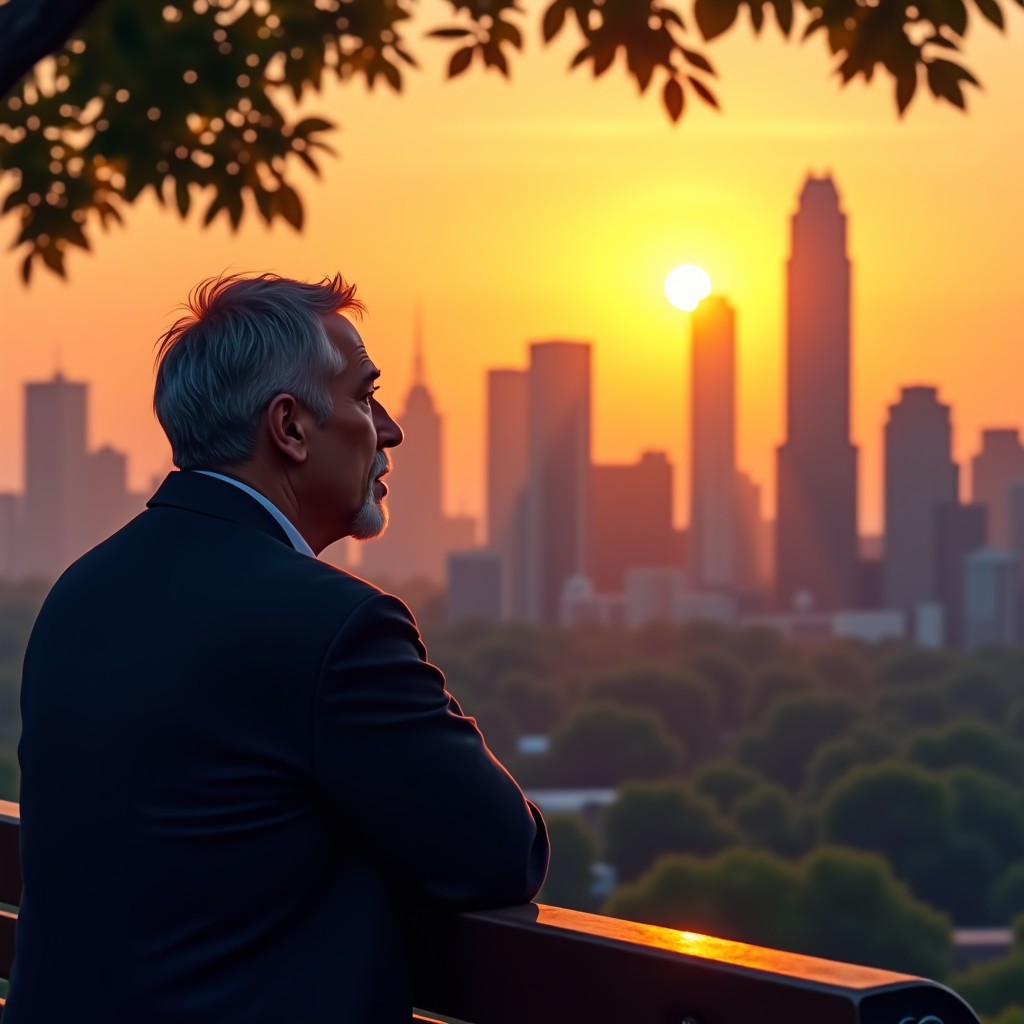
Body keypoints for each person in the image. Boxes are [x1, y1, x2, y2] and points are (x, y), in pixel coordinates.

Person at [6, 273, 549, 1024]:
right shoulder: (334, 628)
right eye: (365, 396)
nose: (389, 429)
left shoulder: (80, 593)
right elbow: (501, 853)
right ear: (289, 428)